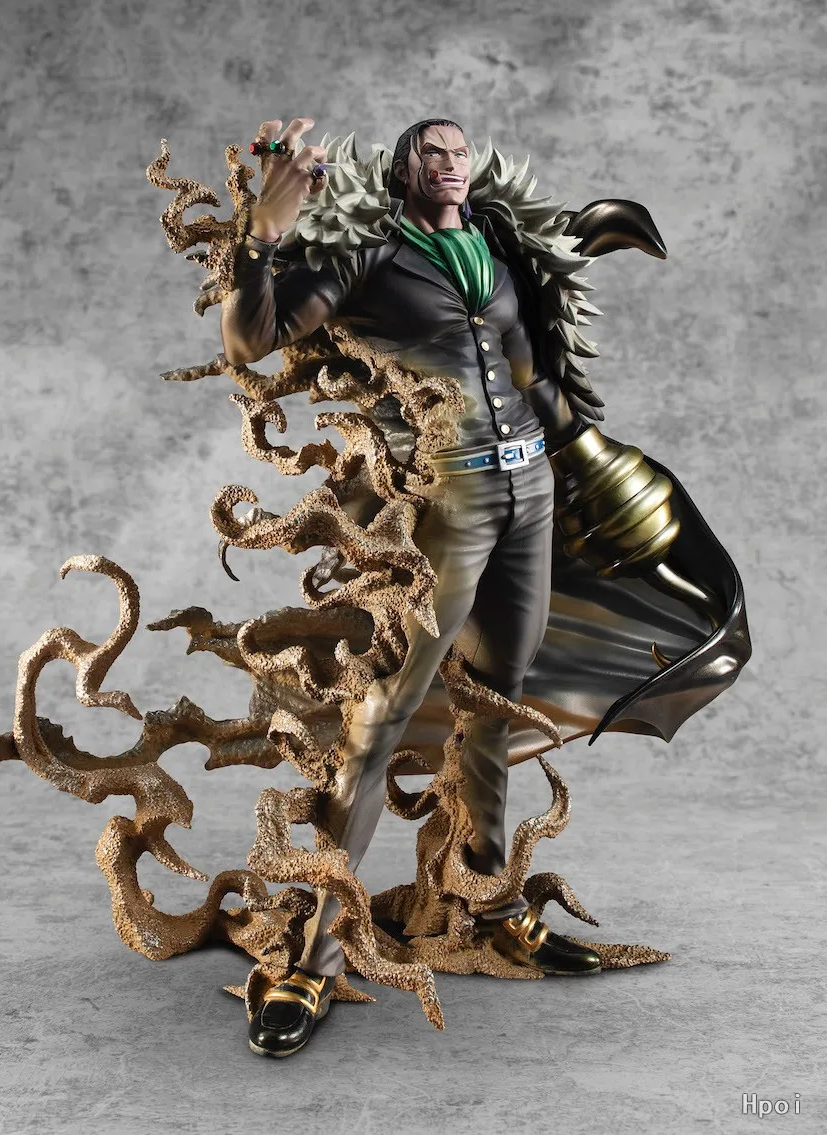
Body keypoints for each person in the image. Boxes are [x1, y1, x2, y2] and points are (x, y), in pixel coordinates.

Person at [221, 115, 613, 1058]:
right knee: (385, 710)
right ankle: (313, 954)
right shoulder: (368, 258)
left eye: (460, 150)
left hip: (530, 490)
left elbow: (529, 371)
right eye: (431, 152)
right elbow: (251, 339)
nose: (450, 161)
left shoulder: (495, 246)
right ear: (401, 172)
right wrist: (262, 234)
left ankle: (487, 906)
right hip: (450, 498)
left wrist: (599, 468)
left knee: (497, 699)